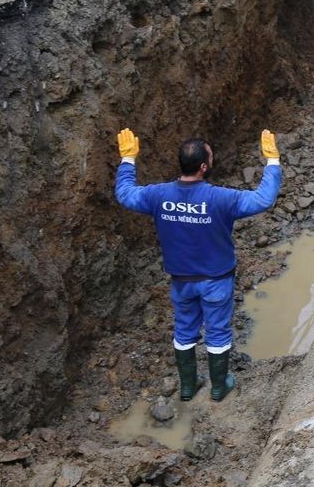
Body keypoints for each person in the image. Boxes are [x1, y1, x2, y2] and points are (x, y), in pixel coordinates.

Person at [114, 128, 283, 402]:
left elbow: (125, 194)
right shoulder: (221, 198)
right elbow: (263, 199)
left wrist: (127, 160)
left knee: (184, 330)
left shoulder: (158, 196)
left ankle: (188, 387)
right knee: (217, 331)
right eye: (211, 157)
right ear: (204, 166)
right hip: (216, 280)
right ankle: (219, 387)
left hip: (181, 280)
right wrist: (272, 162)